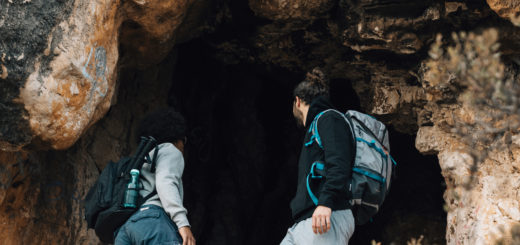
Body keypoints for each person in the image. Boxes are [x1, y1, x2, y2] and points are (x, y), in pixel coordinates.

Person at [281, 68, 355, 244]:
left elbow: (339, 163)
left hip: (326, 215)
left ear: (297, 101)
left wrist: (326, 203)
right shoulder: (317, 126)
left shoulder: (329, 119)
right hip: (304, 222)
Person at [115, 108, 196, 245]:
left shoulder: (143, 160)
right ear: (178, 139)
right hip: (152, 223)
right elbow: (165, 182)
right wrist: (182, 223)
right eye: (184, 141)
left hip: (126, 228)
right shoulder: (171, 150)